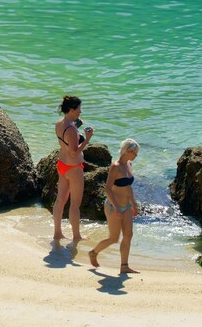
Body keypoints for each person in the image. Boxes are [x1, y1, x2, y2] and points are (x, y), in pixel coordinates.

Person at [89, 139, 140, 274]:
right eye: (135, 153)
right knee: (114, 238)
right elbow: (107, 189)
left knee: (128, 235)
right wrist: (117, 208)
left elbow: (128, 187)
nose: (136, 156)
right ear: (129, 151)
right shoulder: (115, 166)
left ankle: (124, 266)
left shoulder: (129, 164)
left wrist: (134, 205)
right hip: (113, 206)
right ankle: (93, 253)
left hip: (126, 206)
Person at [53, 95, 93, 242]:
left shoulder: (60, 123)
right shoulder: (71, 130)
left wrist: (76, 125)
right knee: (75, 204)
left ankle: (57, 233)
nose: (80, 112)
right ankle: (76, 236)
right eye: (78, 109)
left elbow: (67, 138)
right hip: (73, 168)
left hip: (62, 165)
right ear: (71, 110)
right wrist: (87, 139)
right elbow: (74, 152)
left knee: (60, 200)